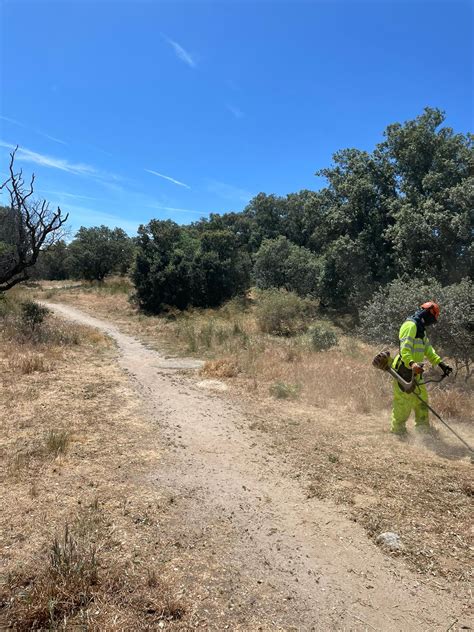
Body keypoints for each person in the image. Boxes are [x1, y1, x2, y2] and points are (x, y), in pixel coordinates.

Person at [391, 301, 452, 435]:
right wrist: (412, 364)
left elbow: (428, 350)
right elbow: (404, 350)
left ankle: (423, 431)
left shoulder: (421, 329)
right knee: (403, 403)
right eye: (433, 318)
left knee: (422, 401)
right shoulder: (410, 325)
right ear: (428, 313)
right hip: (403, 370)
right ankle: (398, 431)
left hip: (415, 371)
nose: (433, 322)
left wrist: (442, 364)